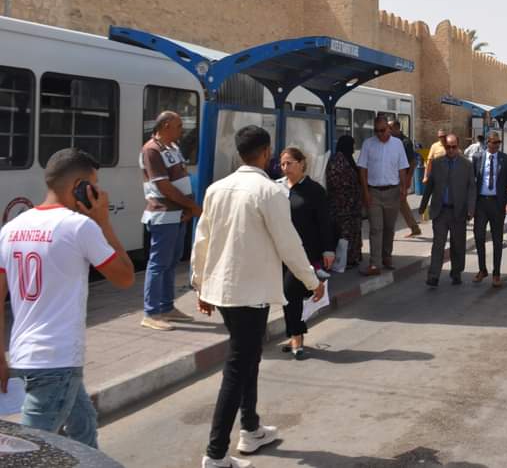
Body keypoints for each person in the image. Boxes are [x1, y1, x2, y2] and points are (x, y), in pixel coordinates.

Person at [192, 126, 325, 468]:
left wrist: (199, 284)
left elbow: (201, 240)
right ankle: (216, 455)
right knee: (238, 366)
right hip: (250, 293)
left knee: (248, 357)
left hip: (223, 291)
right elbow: (289, 244)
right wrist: (312, 281)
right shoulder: (269, 192)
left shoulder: (215, 189)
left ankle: (250, 429)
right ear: (266, 153)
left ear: (240, 153)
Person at [0, 149, 135, 449]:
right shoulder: (80, 227)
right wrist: (103, 221)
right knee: (31, 451)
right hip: (56, 360)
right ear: (80, 187)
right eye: (94, 186)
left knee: (83, 429)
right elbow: (125, 277)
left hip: (23, 356)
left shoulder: (10, 229)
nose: (99, 193)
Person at [139, 111, 201, 331]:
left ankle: (166, 306)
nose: (181, 130)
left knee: (171, 261)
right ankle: (151, 312)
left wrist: (187, 207)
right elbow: (163, 186)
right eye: (178, 126)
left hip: (178, 214)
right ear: (165, 125)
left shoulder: (172, 148)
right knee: (158, 263)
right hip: (163, 213)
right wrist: (191, 206)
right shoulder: (151, 150)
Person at [275, 147, 335, 360]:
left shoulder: (314, 190)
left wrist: (328, 249)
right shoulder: (276, 188)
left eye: (290, 163)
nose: (285, 168)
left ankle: (297, 338)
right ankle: (293, 334)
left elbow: (325, 223)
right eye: (282, 164)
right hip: (279, 252)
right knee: (285, 296)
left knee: (291, 292)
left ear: (302, 163)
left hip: (305, 253)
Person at [420, 134, 476, 287]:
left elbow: (472, 188)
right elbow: (430, 186)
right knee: (438, 244)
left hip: (458, 211)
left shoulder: (466, 165)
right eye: (448, 147)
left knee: (458, 245)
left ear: (458, 147)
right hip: (440, 211)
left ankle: (456, 272)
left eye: (453, 147)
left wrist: (471, 209)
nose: (451, 150)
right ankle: (433, 276)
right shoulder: (437, 163)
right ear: (444, 147)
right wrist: (423, 206)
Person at [358, 115, 411, 275]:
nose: (380, 134)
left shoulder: (398, 145)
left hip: (393, 192)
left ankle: (386, 257)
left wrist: (403, 189)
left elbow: (402, 168)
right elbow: (362, 169)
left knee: (389, 228)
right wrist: (365, 192)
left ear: (389, 129)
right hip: (374, 192)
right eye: (377, 131)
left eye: (383, 130)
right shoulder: (368, 144)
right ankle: (375, 264)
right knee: (376, 229)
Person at [471, 131, 507, 286]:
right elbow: (472, 183)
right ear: (487, 142)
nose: (496, 145)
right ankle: (482, 269)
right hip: (481, 203)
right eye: (493, 142)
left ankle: (496, 273)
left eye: (498, 143)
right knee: (479, 237)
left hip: (497, 204)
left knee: (497, 240)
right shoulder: (477, 158)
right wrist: (471, 205)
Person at [325, 135, 364, 268]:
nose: (353, 149)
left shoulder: (347, 158)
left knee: (352, 232)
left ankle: (352, 258)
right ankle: (344, 261)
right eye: (352, 145)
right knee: (344, 233)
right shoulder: (338, 161)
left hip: (351, 205)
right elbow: (336, 181)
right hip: (342, 206)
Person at [390, 120, 423, 237]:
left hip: (402, 178)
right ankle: (414, 228)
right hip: (393, 178)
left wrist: (408, 179)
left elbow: (413, 162)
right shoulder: (392, 141)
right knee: (401, 204)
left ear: (397, 128)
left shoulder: (405, 142)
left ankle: (390, 232)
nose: (388, 130)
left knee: (395, 204)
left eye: (390, 128)